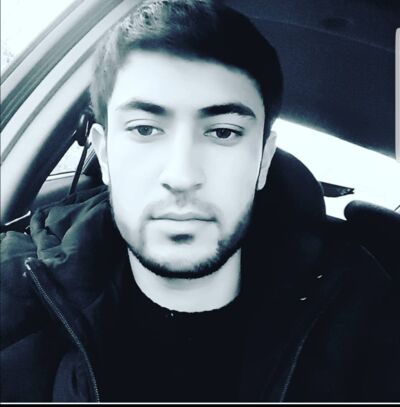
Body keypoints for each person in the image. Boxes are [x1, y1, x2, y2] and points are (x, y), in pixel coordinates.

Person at [1, 0, 399, 402]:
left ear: (263, 160)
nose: (181, 175)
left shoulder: (367, 323)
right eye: (144, 129)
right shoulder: (15, 293)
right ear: (104, 154)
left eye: (223, 133)